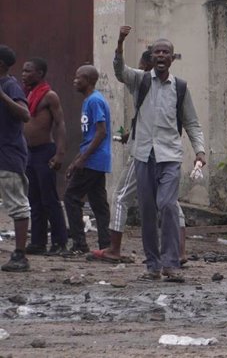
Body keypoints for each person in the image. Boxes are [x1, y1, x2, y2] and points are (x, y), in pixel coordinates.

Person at [114, 28, 205, 282]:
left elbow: (192, 123)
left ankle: (171, 264)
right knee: (146, 211)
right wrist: (120, 42)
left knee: (167, 205)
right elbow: (119, 71)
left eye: (166, 52)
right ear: (152, 57)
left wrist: (200, 150)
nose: (162, 55)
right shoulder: (140, 81)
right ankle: (153, 266)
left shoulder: (181, 88)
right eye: (157, 52)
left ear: (173, 58)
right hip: (143, 155)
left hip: (170, 157)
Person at [88, 40, 188, 264]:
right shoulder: (145, 85)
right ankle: (177, 253)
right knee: (169, 203)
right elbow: (148, 119)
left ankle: (115, 248)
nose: (143, 71)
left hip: (147, 154)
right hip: (153, 150)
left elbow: (185, 122)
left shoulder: (164, 85)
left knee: (122, 197)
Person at [21, 58, 69, 256]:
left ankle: (59, 242)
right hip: (28, 153)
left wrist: (60, 153)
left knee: (49, 198)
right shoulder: (25, 95)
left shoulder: (49, 96)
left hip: (44, 151)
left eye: (28, 71)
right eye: (23, 71)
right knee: (34, 199)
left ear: (39, 73)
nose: (23, 74)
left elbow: (60, 124)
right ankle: (38, 242)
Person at [63, 65, 112, 254]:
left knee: (71, 197)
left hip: (94, 160)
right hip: (94, 159)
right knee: (99, 203)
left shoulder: (94, 101)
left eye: (79, 77)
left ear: (89, 80)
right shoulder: (89, 101)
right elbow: (89, 136)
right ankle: (106, 245)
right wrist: (76, 160)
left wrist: (83, 159)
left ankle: (79, 244)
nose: (75, 80)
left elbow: (101, 132)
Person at [0, 45, 32, 272]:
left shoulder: (10, 85)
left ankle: (20, 255)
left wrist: (2, 95)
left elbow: (25, 114)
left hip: (8, 156)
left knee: (18, 206)